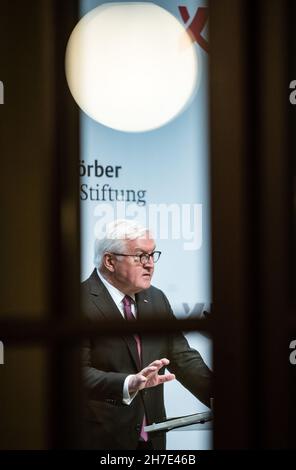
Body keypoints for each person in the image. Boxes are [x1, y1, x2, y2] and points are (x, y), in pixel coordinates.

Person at [82, 219, 213, 450]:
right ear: (110, 261)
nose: (150, 264)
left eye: (153, 255)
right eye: (140, 256)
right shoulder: (78, 302)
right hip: (101, 439)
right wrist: (127, 383)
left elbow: (182, 357)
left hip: (152, 440)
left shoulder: (156, 298)